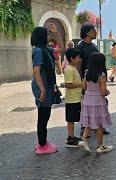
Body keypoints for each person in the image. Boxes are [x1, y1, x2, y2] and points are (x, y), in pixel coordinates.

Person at [76, 23, 110, 135]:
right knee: (87, 104)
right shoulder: (80, 47)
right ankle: (84, 126)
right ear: (87, 33)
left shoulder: (93, 46)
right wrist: (81, 82)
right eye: (94, 30)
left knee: (101, 102)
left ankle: (99, 125)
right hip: (88, 80)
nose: (96, 32)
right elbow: (78, 66)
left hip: (98, 79)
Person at [31, 26, 60, 155]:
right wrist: (42, 90)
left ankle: (42, 142)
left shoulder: (45, 49)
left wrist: (56, 34)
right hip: (42, 87)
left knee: (45, 116)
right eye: (47, 34)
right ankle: (42, 146)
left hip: (46, 86)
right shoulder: (38, 51)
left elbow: (62, 49)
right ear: (42, 36)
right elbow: (36, 71)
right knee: (43, 116)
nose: (49, 37)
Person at [78, 52, 113, 153]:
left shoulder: (86, 73)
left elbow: (84, 87)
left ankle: (83, 140)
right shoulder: (101, 75)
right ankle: (100, 146)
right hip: (98, 101)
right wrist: (107, 92)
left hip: (87, 100)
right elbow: (103, 92)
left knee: (89, 121)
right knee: (99, 124)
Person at [64, 48, 83, 147]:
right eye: (78, 58)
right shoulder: (69, 69)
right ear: (72, 58)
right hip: (72, 99)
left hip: (75, 98)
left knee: (73, 118)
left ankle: (72, 136)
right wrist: (80, 84)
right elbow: (68, 84)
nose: (79, 59)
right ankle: (70, 138)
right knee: (71, 119)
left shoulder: (73, 67)